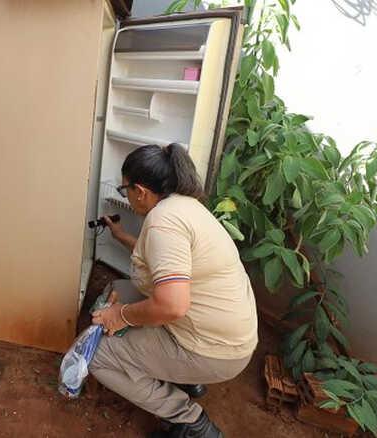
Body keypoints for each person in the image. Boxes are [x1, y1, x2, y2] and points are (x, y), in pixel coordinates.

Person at [90, 143, 258, 438]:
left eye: (124, 189)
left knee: (99, 356)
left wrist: (122, 316)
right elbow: (163, 259)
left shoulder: (163, 222)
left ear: (140, 191)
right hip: (229, 331)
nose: (125, 195)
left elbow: (172, 307)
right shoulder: (183, 206)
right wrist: (121, 237)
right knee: (117, 289)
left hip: (214, 350)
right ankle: (184, 378)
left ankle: (189, 422)